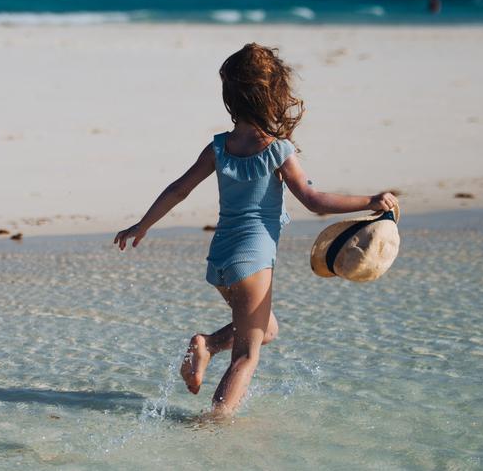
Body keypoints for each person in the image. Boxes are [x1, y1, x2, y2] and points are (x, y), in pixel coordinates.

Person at [113, 43, 397, 419]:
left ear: (231, 97)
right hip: (253, 261)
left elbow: (179, 188)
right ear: (274, 95)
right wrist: (369, 200)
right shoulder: (277, 150)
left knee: (268, 329)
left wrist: (142, 225)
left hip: (220, 261)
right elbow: (313, 200)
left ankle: (207, 344)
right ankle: (214, 426)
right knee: (247, 355)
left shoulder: (219, 147)